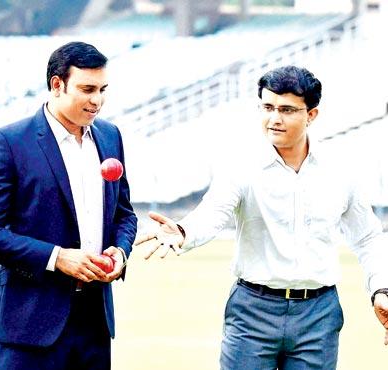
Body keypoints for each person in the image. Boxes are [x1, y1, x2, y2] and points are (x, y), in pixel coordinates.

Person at [136, 65, 388, 369]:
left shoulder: (341, 170)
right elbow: (213, 212)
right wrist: (184, 232)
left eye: (287, 109)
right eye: (267, 107)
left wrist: (381, 288)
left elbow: (367, 237)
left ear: (312, 115)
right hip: (252, 311)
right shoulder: (241, 165)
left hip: (318, 315)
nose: (274, 118)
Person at [0, 41, 138, 370]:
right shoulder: (9, 142)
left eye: (103, 89)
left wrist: (120, 250)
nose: (97, 100)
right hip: (29, 324)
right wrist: (57, 259)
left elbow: (124, 215)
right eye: (87, 89)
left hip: (94, 321)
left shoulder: (110, 137)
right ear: (57, 85)